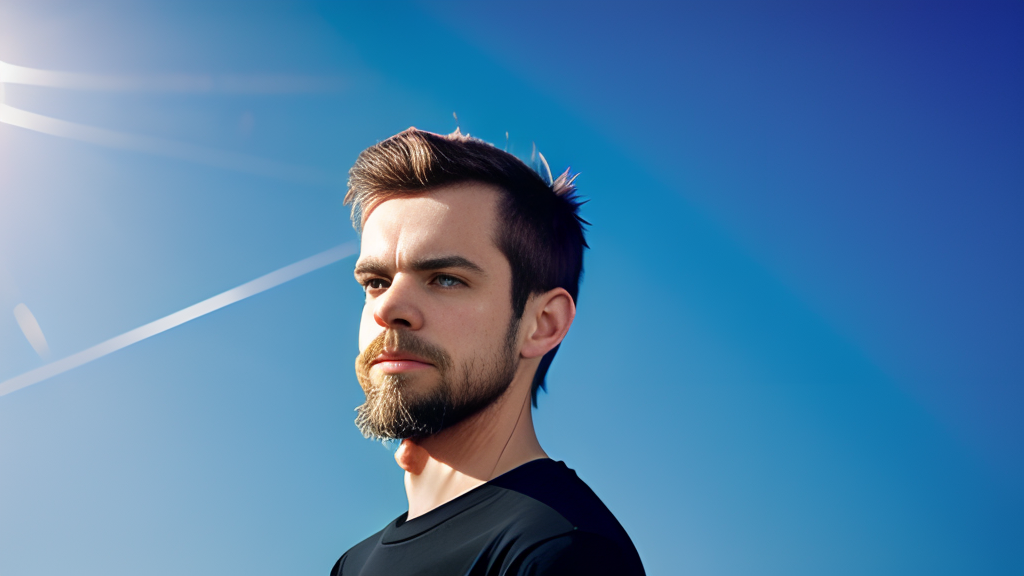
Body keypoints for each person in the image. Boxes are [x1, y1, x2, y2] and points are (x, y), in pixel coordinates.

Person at [331, 128, 645, 576]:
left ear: (542, 324)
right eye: (376, 283)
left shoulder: (563, 552)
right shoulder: (352, 565)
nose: (389, 308)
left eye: (445, 278)